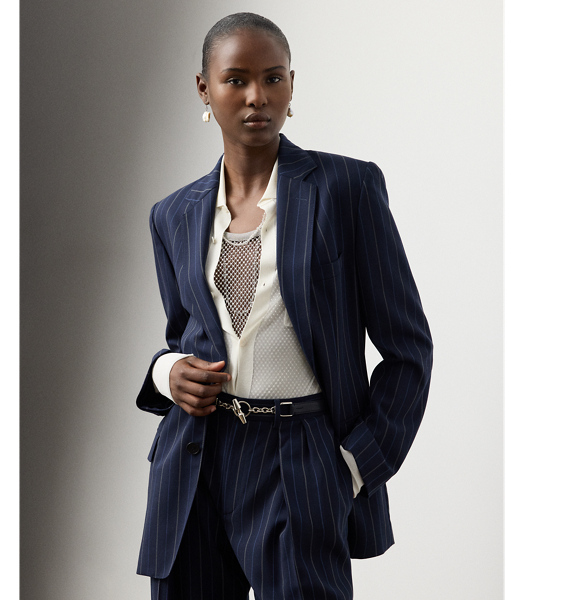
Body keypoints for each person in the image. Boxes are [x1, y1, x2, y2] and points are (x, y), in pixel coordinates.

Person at [136, 12, 433, 600]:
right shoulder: (173, 214)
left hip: (300, 458)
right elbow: (184, 337)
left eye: (273, 78)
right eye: (236, 79)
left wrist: (354, 466)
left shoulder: (346, 189)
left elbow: (408, 349)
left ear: (292, 85)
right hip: (194, 461)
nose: (257, 96)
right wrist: (166, 372)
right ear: (204, 88)